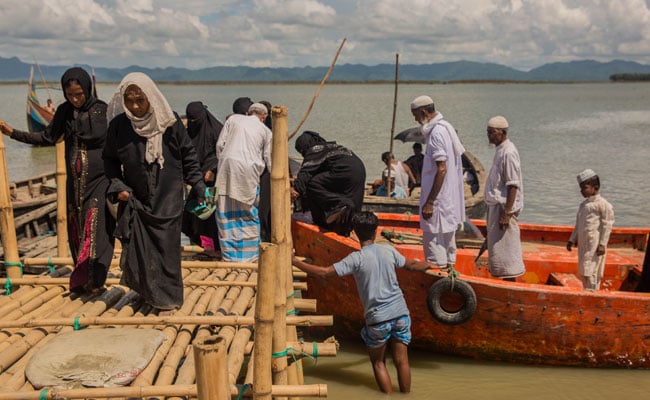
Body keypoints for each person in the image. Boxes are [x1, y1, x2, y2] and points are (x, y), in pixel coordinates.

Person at [0, 67, 114, 294]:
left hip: (99, 182)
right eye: (70, 94)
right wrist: (11, 132)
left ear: (88, 90)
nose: (75, 99)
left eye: (79, 94)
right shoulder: (64, 112)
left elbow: (115, 144)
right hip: (74, 185)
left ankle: (96, 280)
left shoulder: (102, 111)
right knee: (77, 231)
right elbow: (46, 137)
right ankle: (82, 281)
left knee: (95, 231)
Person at [291, 211, 432, 394]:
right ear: (376, 231)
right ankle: (406, 396)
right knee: (402, 361)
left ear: (355, 233)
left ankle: (388, 397)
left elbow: (323, 272)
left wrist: (294, 262)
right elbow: (412, 266)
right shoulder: (388, 250)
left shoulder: (356, 258)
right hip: (401, 314)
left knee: (378, 362)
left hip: (378, 318)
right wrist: (430, 264)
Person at [103, 72, 206, 312]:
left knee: (167, 250)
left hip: (168, 196)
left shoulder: (168, 122)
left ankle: (169, 298)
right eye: (129, 101)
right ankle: (146, 292)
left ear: (151, 97)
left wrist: (198, 184)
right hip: (136, 197)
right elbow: (109, 160)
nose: (135, 106)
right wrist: (119, 188)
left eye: (140, 100)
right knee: (140, 249)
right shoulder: (119, 126)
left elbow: (188, 154)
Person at [410, 95, 466, 269]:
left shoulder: (436, 133)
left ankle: (438, 285)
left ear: (424, 112)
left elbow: (442, 168)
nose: (415, 119)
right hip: (448, 200)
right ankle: (450, 279)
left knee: (435, 251)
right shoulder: (446, 127)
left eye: (415, 115)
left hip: (438, 203)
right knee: (449, 249)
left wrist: (430, 202)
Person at [215, 101, 272, 262]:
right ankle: (251, 256)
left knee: (226, 213)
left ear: (249, 112)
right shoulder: (266, 131)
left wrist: (224, 163)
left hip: (226, 167)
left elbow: (220, 145)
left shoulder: (233, 120)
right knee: (248, 212)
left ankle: (230, 256)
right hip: (249, 170)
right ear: (264, 116)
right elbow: (270, 159)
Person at [291, 131, 366, 237]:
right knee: (352, 203)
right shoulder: (331, 147)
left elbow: (305, 173)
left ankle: (336, 207)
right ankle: (348, 228)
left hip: (344, 171)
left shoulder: (314, 150)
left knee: (312, 184)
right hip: (359, 170)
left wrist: (296, 189)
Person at [484, 115, 525, 280]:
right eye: (488, 132)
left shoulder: (508, 152)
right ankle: (502, 279)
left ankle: (510, 282)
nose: (489, 135)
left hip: (503, 208)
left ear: (502, 132)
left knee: (507, 254)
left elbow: (513, 185)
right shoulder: (500, 150)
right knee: (498, 252)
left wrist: (507, 213)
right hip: (497, 207)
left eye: (492, 132)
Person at [181, 101, 223, 254]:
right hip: (197, 180)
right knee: (195, 218)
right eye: (191, 121)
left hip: (215, 183)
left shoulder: (217, 131)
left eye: (196, 121)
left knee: (210, 219)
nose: (193, 124)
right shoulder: (189, 133)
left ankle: (213, 249)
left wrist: (213, 169)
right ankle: (202, 247)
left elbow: (224, 155)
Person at [566, 169, 614, 290]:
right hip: (584, 244)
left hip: (595, 245)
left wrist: (602, 244)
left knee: (593, 270)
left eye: (585, 188)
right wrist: (571, 239)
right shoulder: (584, 205)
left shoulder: (603, 205)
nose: (582, 191)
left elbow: (607, 225)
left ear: (595, 187)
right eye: (581, 188)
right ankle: (586, 291)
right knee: (584, 270)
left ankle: (593, 293)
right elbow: (578, 224)